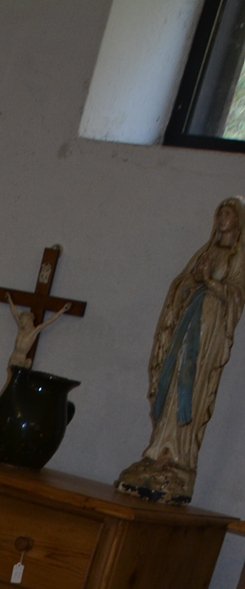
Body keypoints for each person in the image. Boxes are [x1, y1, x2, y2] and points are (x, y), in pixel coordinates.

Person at [117, 196, 245, 503]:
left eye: (228, 214)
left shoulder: (238, 257)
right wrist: (193, 282)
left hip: (209, 331)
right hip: (187, 324)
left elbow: (237, 294)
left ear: (238, 220)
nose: (222, 219)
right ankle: (158, 449)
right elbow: (182, 284)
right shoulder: (206, 252)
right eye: (220, 214)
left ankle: (179, 457)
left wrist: (210, 283)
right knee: (172, 378)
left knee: (193, 384)